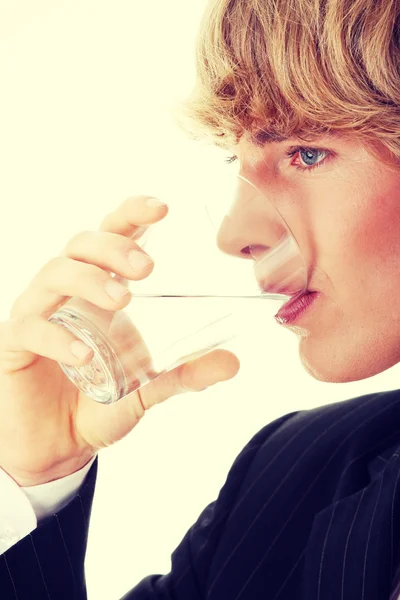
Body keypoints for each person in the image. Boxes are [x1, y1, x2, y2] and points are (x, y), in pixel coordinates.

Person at [1, 0, 400, 597]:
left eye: (306, 151)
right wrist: (31, 476)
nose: (231, 234)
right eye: (234, 160)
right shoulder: (290, 478)